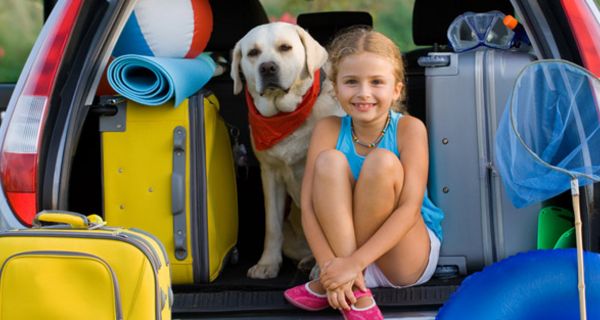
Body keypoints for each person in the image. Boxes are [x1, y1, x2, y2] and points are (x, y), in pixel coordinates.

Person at [283, 27, 444, 319]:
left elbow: (409, 209)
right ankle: (355, 291)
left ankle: (338, 281)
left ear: (396, 89)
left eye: (377, 82)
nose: (363, 93)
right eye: (351, 82)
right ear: (335, 86)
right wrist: (329, 263)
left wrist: (349, 265)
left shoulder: (409, 129)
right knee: (329, 162)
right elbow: (306, 207)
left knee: (382, 162)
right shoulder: (328, 129)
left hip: (402, 254)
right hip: (342, 258)